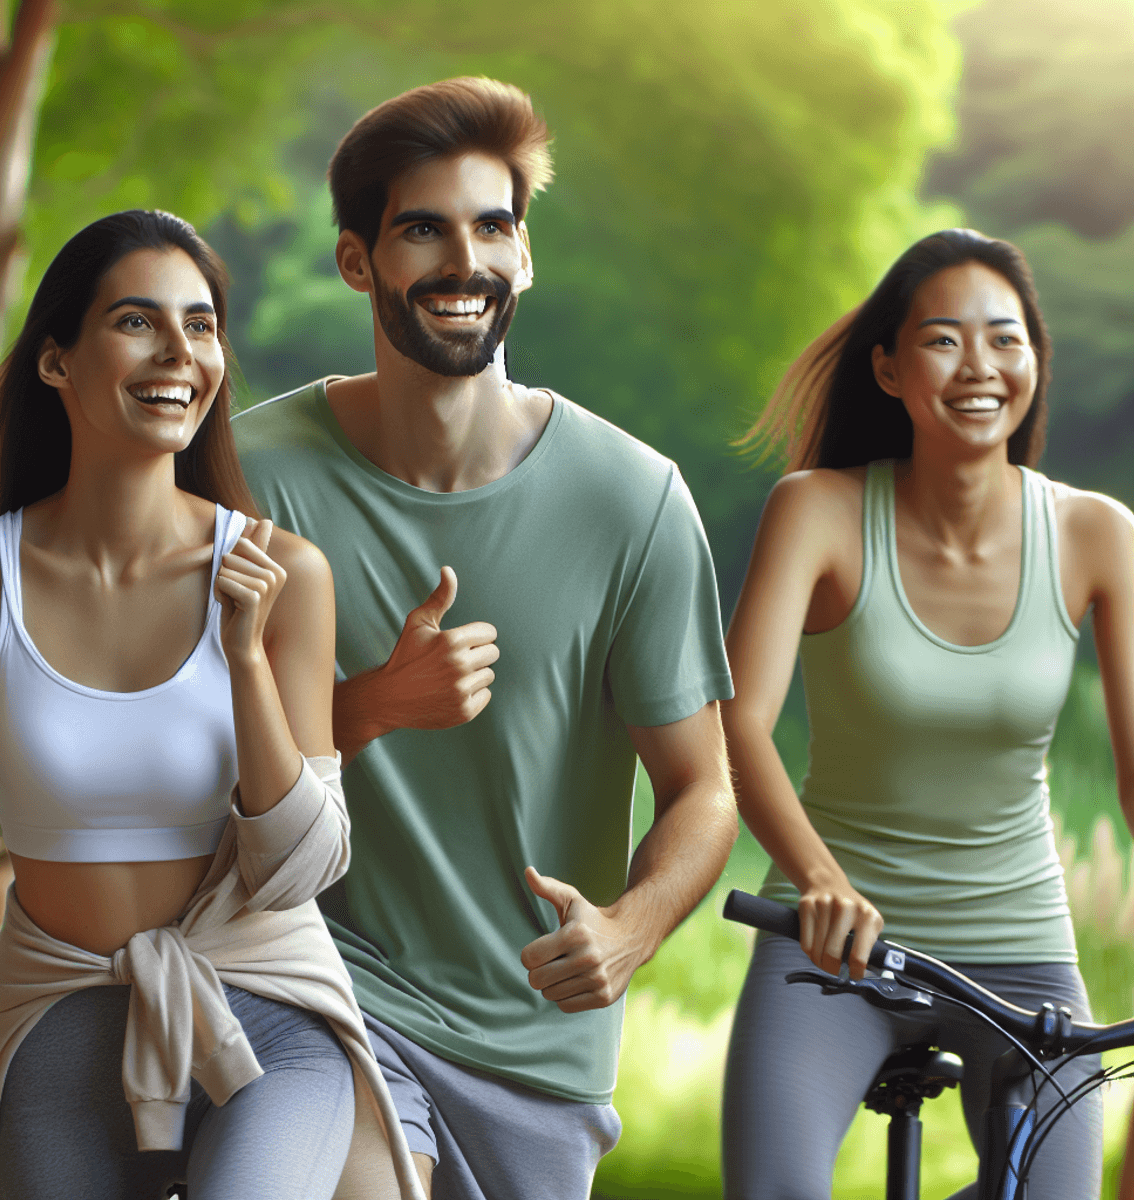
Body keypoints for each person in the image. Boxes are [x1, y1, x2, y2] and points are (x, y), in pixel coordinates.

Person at [233, 77, 737, 1200]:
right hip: (322, 986)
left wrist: (631, 930)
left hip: (538, 1052)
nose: (466, 261)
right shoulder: (249, 481)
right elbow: (190, 758)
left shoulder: (634, 501)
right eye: (423, 229)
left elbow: (703, 787)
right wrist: (370, 704)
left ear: (526, 254)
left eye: (494, 226)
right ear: (358, 261)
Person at [0, 210, 424, 1200]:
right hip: (61, 1009)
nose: (180, 353)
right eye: (136, 321)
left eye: (201, 325)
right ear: (54, 362)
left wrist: (243, 657)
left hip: (266, 1010)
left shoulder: (285, 571)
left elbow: (302, 862)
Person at [720, 228, 1134, 1199]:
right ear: (890, 368)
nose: (980, 366)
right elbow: (737, 725)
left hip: (1019, 947)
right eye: (945, 340)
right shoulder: (816, 511)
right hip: (833, 950)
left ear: (1034, 358)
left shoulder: (1094, 534)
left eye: (1005, 338)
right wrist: (819, 882)